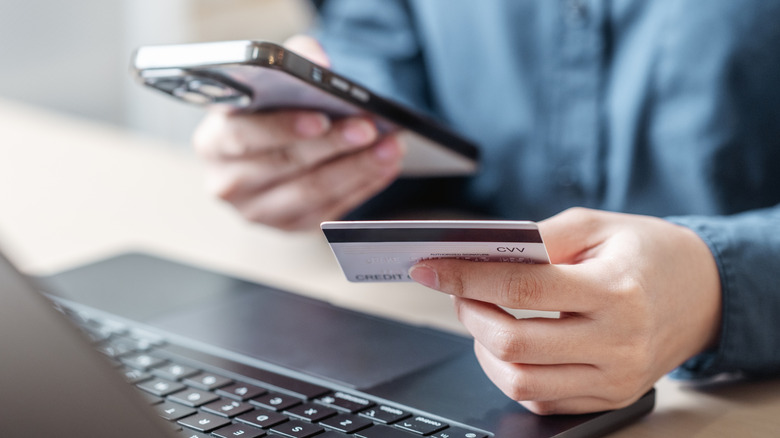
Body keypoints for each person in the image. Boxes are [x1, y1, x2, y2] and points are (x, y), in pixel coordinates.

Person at [192, 0, 780, 415]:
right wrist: (313, 138)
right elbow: (378, 45)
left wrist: (715, 287)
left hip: (724, 401)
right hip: (439, 340)